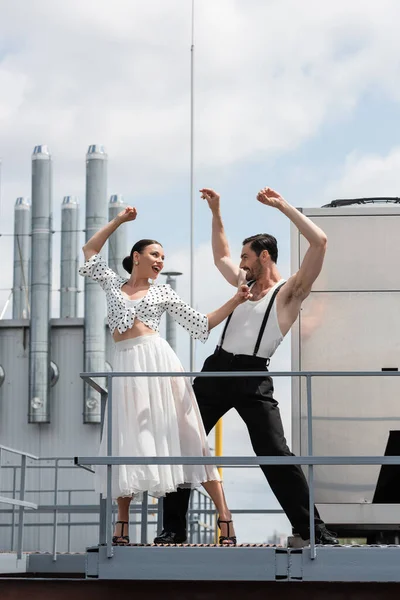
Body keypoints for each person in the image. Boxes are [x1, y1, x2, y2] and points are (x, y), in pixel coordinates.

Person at [154, 187, 339, 546]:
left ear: (264, 256)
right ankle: (173, 528)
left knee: (275, 453)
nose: (239, 263)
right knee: (184, 442)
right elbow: (220, 253)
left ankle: (311, 529)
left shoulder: (289, 292)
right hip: (217, 370)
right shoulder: (243, 282)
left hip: (254, 376)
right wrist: (216, 212)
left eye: (246, 257)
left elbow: (320, 242)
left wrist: (282, 205)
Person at [79, 205, 251, 546]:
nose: (160, 261)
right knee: (124, 442)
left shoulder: (163, 292)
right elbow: (89, 251)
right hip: (127, 369)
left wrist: (235, 299)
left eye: (163, 256)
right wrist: (119, 220)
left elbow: (201, 323)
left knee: (189, 438)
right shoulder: (112, 284)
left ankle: (225, 518)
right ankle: (121, 527)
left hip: (159, 364)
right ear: (136, 256)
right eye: (155, 254)